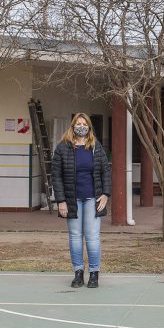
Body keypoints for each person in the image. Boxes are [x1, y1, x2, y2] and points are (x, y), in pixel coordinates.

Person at [52, 113, 111, 288]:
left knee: (92, 237)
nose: (81, 126)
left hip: (93, 199)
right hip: (72, 200)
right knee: (75, 237)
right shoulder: (62, 148)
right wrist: (61, 201)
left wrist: (106, 194)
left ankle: (94, 274)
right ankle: (78, 272)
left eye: (84, 124)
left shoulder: (96, 147)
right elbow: (56, 176)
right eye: (78, 123)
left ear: (89, 127)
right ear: (72, 126)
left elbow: (105, 171)